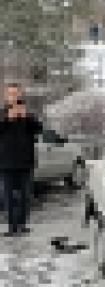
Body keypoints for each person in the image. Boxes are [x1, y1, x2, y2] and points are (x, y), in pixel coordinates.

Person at [0, 83, 43, 236]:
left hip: (26, 162)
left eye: (16, 93)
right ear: (6, 96)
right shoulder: (1, 113)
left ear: (20, 95)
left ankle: (22, 225)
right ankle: (12, 227)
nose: (13, 96)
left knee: (25, 196)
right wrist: (7, 120)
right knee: (8, 197)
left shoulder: (28, 114)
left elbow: (40, 129)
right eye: (10, 94)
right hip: (6, 163)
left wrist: (27, 119)